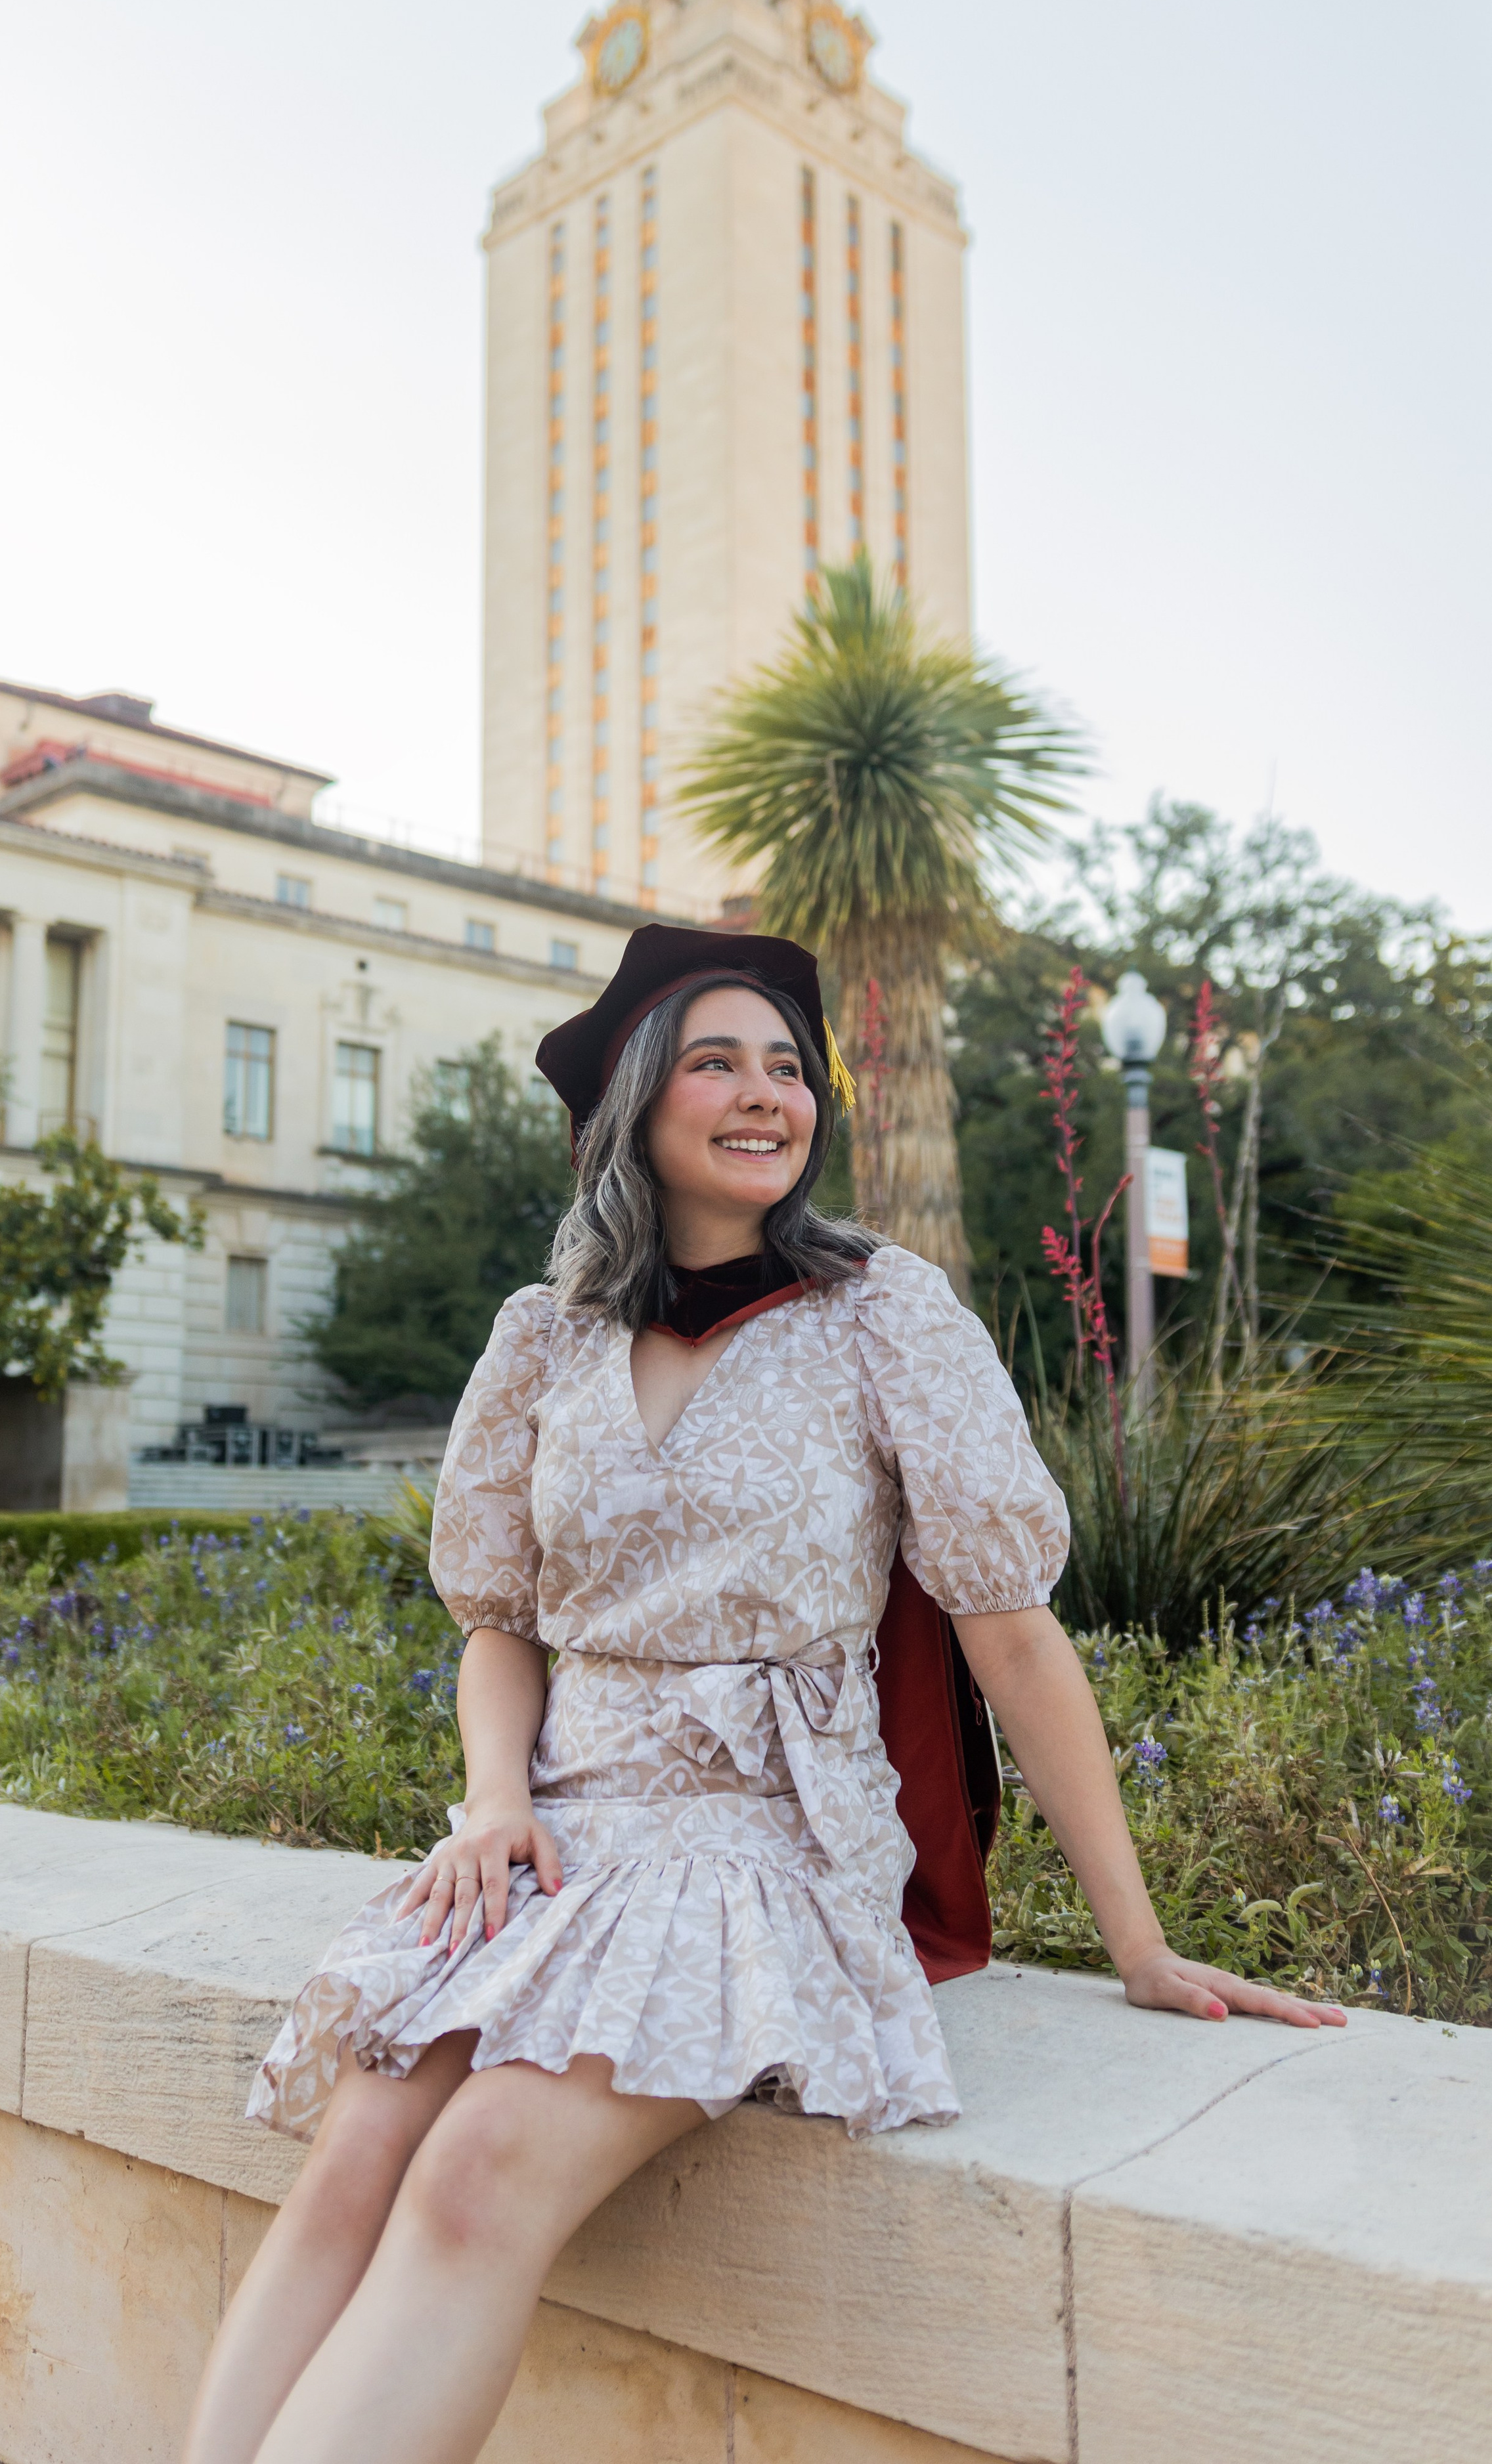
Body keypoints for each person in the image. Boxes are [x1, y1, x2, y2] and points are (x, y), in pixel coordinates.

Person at [182, 925, 1344, 2464]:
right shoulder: (544, 1337)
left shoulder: (877, 1312)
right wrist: (493, 1800)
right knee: (359, 2141)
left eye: (787, 1067)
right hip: (558, 1824)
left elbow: (1009, 1633)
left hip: (756, 1837)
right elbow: (502, 1622)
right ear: (635, 1106)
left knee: (477, 2175)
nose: (764, 1093)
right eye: (715, 1062)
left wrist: (1134, 1940)